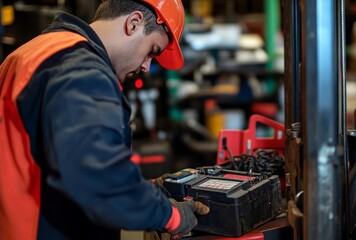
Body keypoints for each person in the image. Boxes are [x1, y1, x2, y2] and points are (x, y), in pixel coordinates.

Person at [0, 0, 209, 239]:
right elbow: (98, 179)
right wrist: (171, 216)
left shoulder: (38, 52)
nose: (146, 67)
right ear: (134, 23)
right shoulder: (82, 70)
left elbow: (55, 159)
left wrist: (144, 191)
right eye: (152, 51)